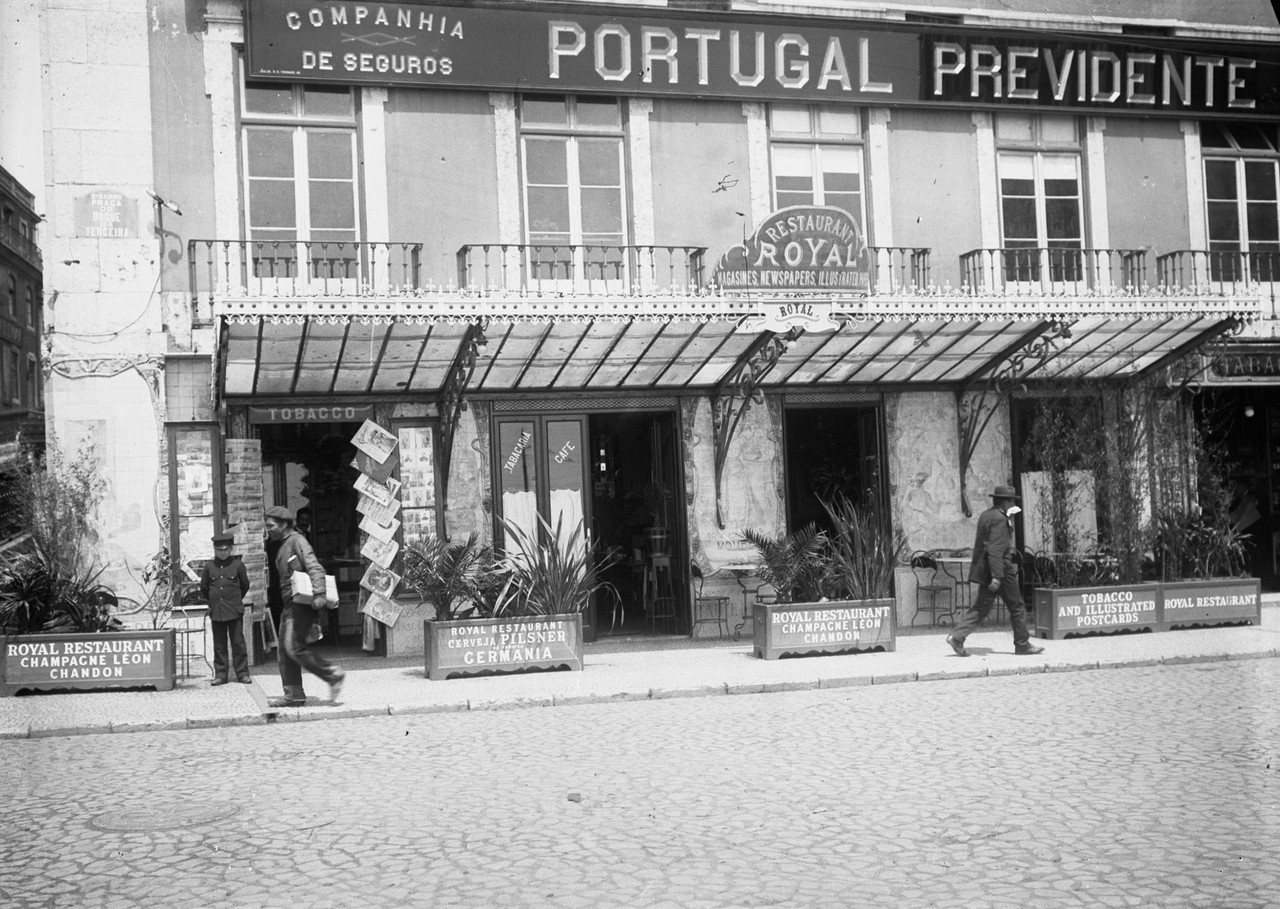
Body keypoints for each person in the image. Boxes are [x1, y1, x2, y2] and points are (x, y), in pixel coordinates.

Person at [947, 485, 1045, 658]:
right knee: (1017, 606)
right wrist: (997, 576)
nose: (1013, 503)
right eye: (1012, 500)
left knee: (981, 607)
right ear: (1005, 502)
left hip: (987, 568)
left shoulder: (986, 515)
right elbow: (995, 549)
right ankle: (1023, 644)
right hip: (1000, 569)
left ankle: (957, 637)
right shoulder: (1000, 519)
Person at [265, 505, 346, 707]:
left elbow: (314, 567)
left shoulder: (297, 541)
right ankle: (294, 695)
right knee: (284, 650)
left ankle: (332, 674)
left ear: (283, 525)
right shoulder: (284, 543)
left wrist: (319, 593)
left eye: (271, 525)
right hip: (289, 604)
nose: (268, 529)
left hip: (299, 605)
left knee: (293, 647)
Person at [200, 531, 252, 685]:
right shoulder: (209, 567)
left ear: (231, 549)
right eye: (219, 550)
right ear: (215, 550)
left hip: (234, 610)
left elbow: (245, 585)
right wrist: (213, 602)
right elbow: (204, 587)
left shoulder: (238, 565)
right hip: (217, 611)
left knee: (238, 643)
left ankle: (242, 673)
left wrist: (235, 600)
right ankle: (221, 675)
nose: (222, 553)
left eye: (225, 550)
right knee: (219, 644)